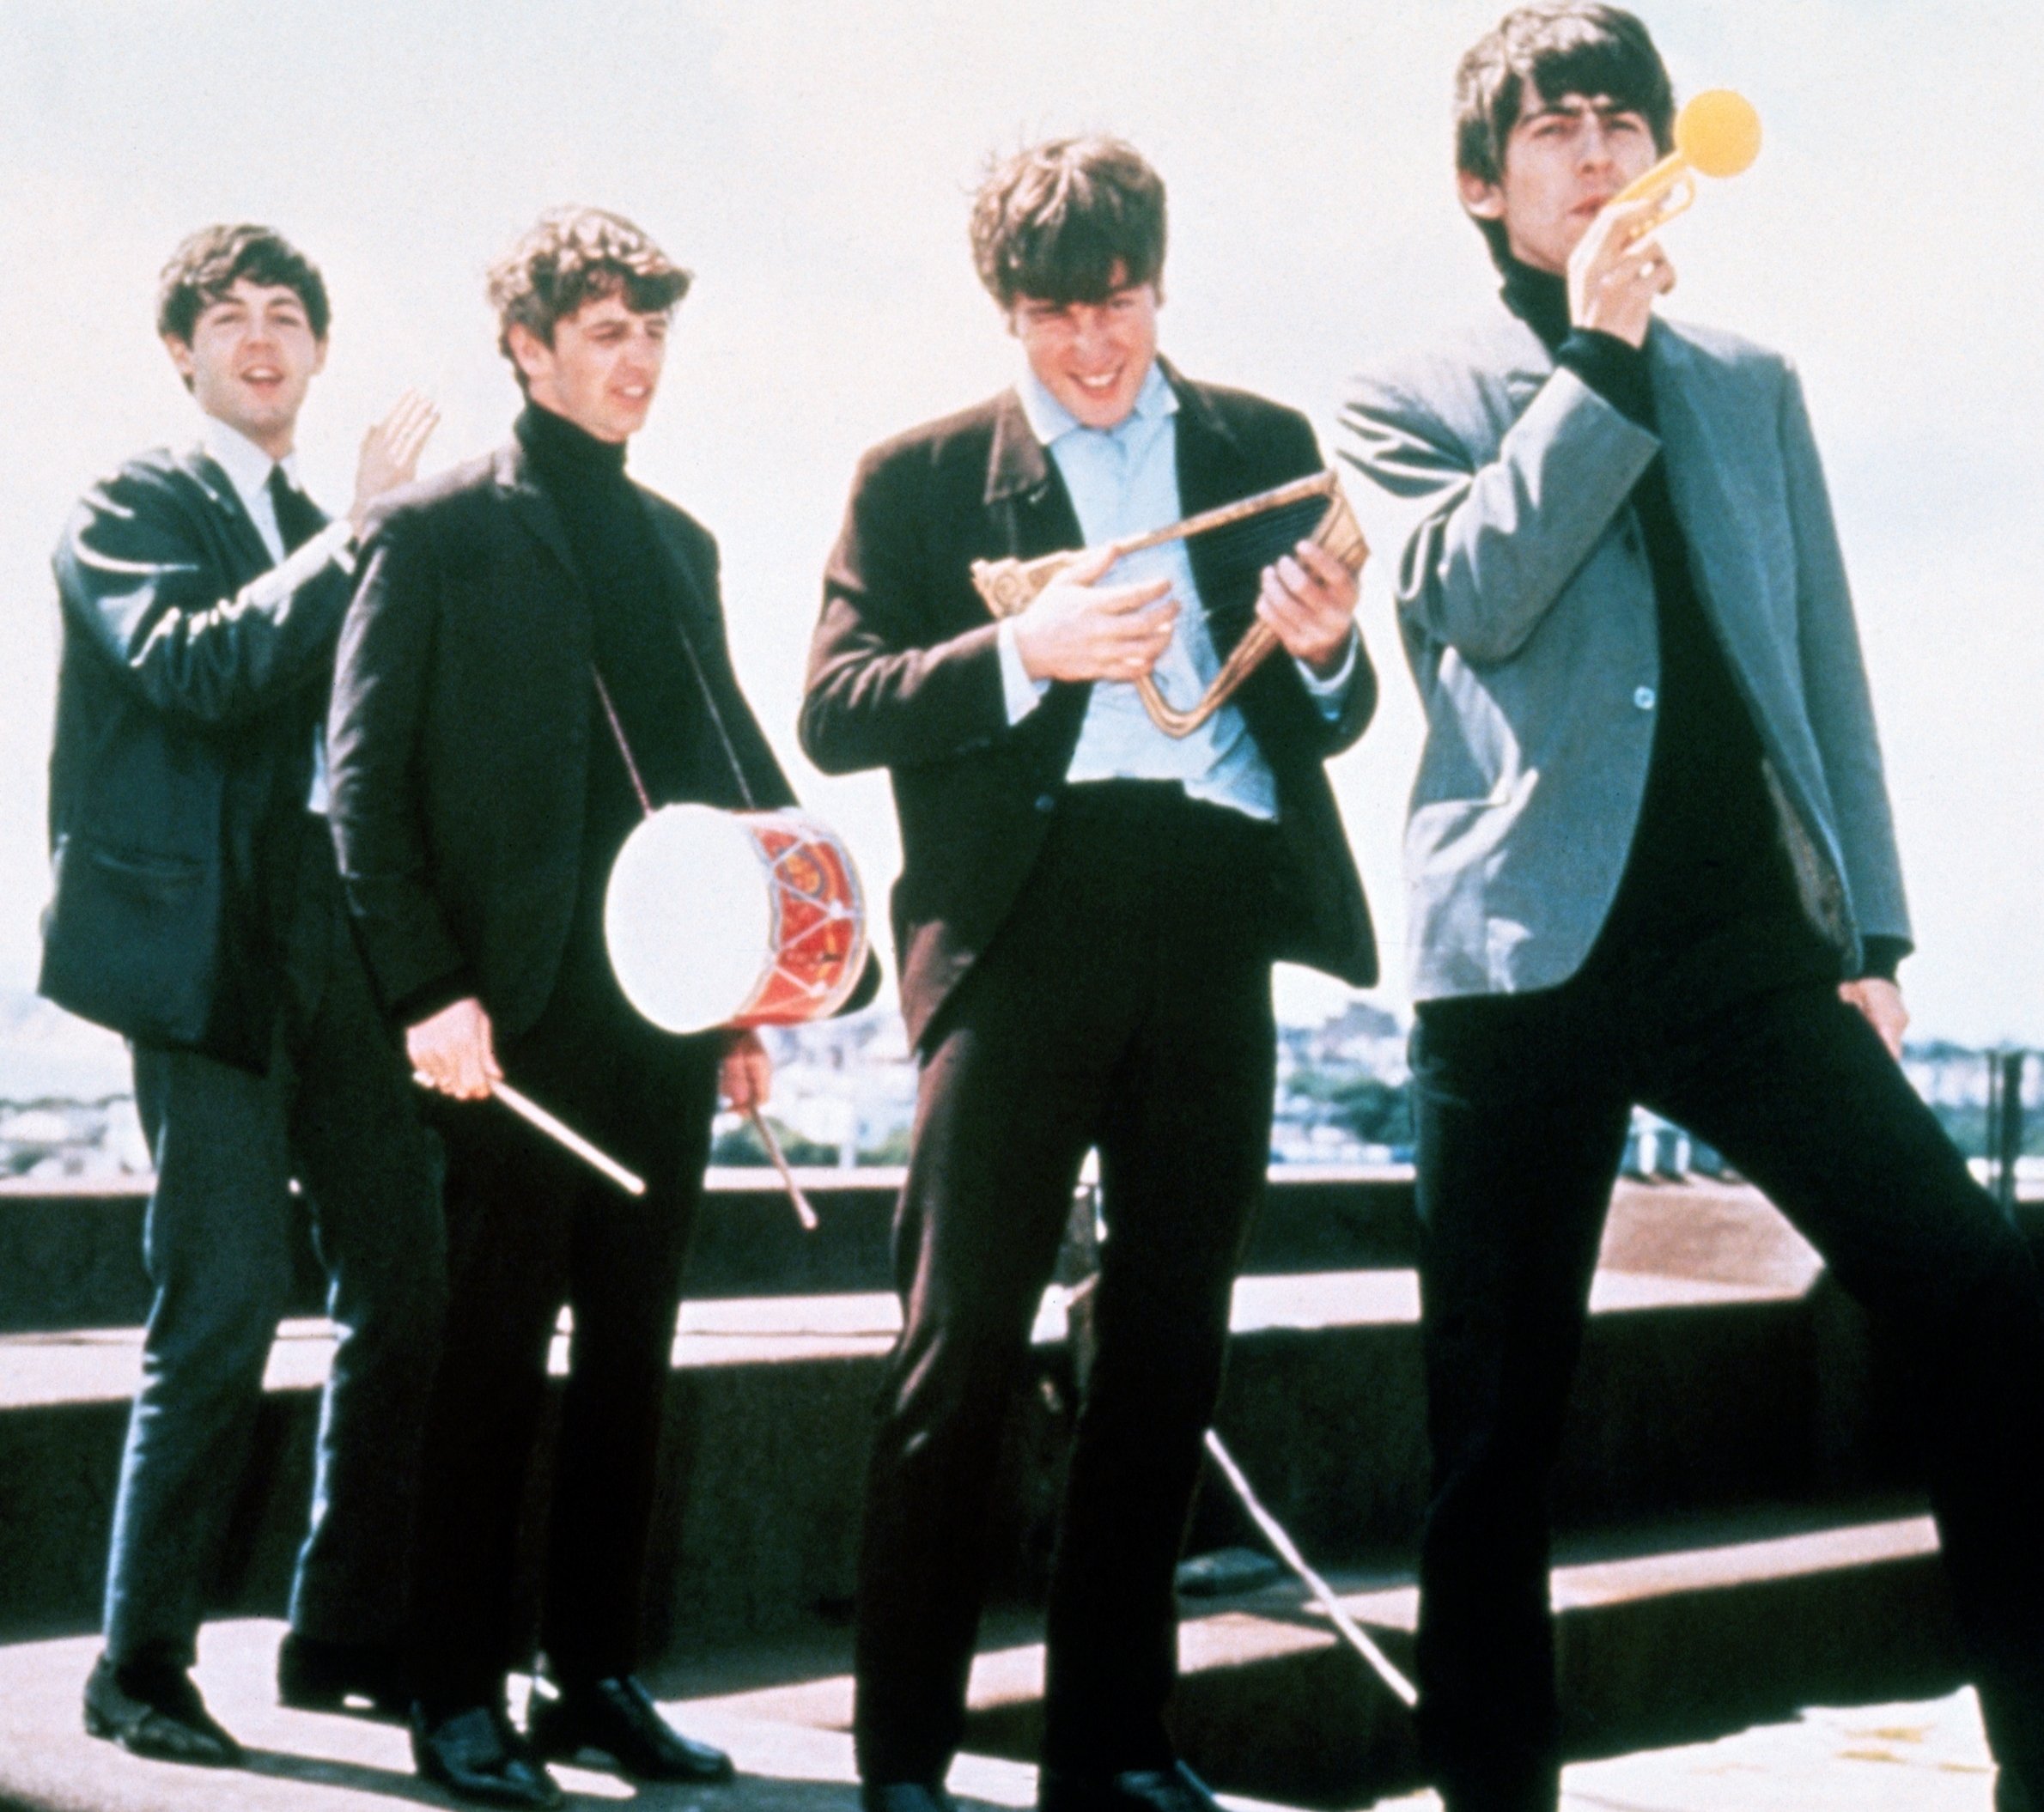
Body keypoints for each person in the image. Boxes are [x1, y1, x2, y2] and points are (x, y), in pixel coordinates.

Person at [1340, 9, 2044, 1809]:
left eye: (1615, 119)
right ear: (1480, 185)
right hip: (1516, 961)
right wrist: (1595, 356)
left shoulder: (1752, 378)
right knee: (1492, 1430)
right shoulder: (1403, 392)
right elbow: (1471, 600)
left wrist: (1868, 939)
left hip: (1741, 947)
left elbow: (1820, 663)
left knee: (1978, 1291)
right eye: (1550, 129)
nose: (1590, 152)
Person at [801, 137, 1378, 1812]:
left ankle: (1114, 1747)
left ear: (1159, 283)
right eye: (1053, 315)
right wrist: (1015, 654)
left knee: (1165, 1348)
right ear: (1003, 311)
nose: (1093, 348)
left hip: (1209, 908)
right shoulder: (913, 478)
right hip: (1018, 927)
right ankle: (901, 1760)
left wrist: (1330, 651)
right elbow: (833, 703)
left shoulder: (1264, 447)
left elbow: (1335, 706)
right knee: (957, 1342)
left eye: (1117, 303)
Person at [328, 206, 835, 1809]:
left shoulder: (679, 542)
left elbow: (717, 767)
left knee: (633, 1357)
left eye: (652, 333)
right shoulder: (432, 529)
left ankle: (595, 1675)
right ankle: (453, 1689)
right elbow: (358, 792)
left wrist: (757, 992)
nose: (638, 363)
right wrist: (428, 990)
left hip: (663, 1021)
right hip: (510, 1029)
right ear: (528, 349)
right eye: (605, 333)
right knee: (486, 1360)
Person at [42, 223, 444, 1765]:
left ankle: (340, 1631)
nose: (263, 340)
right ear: (183, 353)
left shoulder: (353, 527)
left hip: (339, 954)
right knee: (215, 1306)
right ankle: (136, 1667)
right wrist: (352, 540)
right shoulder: (131, 502)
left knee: (407, 1281)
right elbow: (198, 670)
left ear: (322, 351)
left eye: (290, 316)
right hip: (206, 963)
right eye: (231, 318)